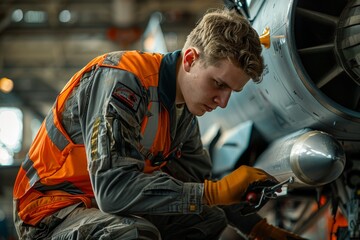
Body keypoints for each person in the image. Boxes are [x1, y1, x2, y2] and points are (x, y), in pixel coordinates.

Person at [13, 7, 306, 240]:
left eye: (232, 91)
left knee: (207, 221)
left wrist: (258, 230)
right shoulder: (124, 81)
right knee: (129, 234)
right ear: (190, 59)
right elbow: (113, 191)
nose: (223, 101)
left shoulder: (182, 114)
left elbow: (198, 186)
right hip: (50, 214)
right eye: (218, 84)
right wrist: (211, 193)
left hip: (94, 208)